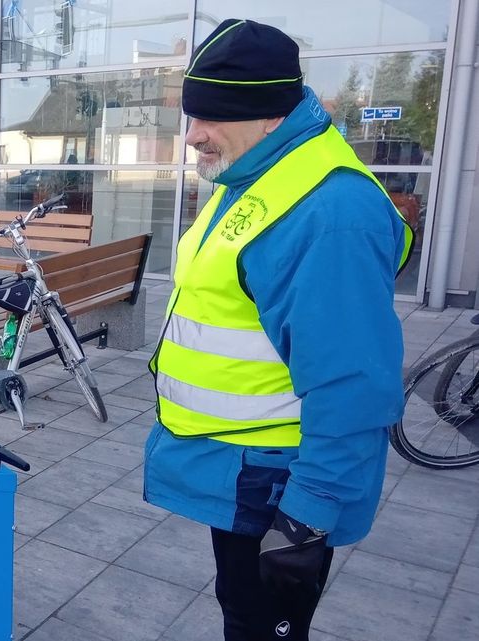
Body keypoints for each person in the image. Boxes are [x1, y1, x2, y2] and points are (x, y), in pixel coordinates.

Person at [144, 18, 412, 641]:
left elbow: (353, 385)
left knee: (259, 627)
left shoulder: (327, 213)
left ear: (267, 114)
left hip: (277, 484)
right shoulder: (258, 173)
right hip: (241, 468)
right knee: (241, 612)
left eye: (209, 117)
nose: (192, 136)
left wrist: (306, 519)